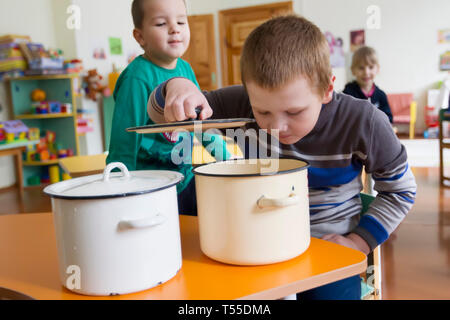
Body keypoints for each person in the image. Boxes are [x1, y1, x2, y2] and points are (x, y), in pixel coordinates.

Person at [147, 15, 417, 299]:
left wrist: (359, 241)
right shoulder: (244, 101)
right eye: (262, 112)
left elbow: (400, 191)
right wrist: (175, 87)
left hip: (328, 247)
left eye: (294, 112)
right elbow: (161, 115)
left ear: (327, 89)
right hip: (256, 241)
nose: (276, 126)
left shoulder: (366, 122)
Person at [106, 0, 226, 215]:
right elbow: (123, 143)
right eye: (161, 23)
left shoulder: (185, 69)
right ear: (140, 37)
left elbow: (198, 124)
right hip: (149, 188)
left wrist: (227, 159)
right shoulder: (137, 78)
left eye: (181, 21)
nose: (175, 29)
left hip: (184, 178)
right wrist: (118, 195)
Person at [343, 46, 393, 123]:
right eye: (361, 68)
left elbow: (389, 118)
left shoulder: (381, 95)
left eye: (371, 67)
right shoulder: (348, 93)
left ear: (377, 69)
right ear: (353, 70)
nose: (366, 72)